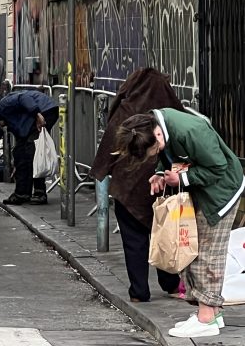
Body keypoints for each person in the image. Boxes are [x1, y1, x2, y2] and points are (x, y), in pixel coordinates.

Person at [113, 109, 245, 338]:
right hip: (205, 191)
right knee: (193, 250)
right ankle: (211, 313)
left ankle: (207, 318)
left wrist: (182, 179)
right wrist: (160, 174)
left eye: (154, 150)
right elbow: (170, 156)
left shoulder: (190, 131)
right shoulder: (161, 128)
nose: (155, 153)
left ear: (157, 134)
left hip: (222, 193)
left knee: (207, 252)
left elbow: (218, 166)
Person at [90, 68, 183, 303]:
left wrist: (105, 171)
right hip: (163, 186)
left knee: (134, 241)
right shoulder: (170, 111)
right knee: (165, 234)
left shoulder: (126, 110)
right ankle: (171, 284)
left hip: (127, 188)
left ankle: (139, 292)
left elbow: (108, 148)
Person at [0, 90, 58, 205]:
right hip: (36, 116)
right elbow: (20, 137)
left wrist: (37, 114)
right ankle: (23, 193)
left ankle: (37, 193)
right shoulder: (8, 121)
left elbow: (23, 98)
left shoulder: (3, 105)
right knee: (22, 153)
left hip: (44, 111)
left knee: (32, 153)